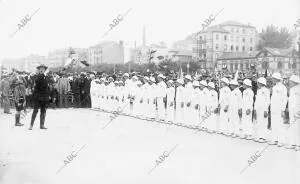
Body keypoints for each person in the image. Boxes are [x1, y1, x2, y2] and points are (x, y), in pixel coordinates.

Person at [29, 64, 50, 130]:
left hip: (44, 97)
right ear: (38, 70)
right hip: (38, 97)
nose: (42, 70)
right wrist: (43, 75)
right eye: (40, 69)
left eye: (43, 69)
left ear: (45, 70)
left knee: (43, 112)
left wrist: (48, 95)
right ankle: (31, 125)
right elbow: (37, 81)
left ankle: (42, 125)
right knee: (35, 111)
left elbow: (47, 87)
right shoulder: (37, 76)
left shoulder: (46, 77)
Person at [270, 72, 288, 146]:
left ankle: (281, 141)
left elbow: (285, 99)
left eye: (273, 78)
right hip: (273, 108)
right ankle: (275, 139)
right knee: (274, 124)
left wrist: (283, 109)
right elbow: (273, 99)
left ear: (277, 79)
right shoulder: (274, 87)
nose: (272, 79)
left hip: (279, 108)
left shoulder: (283, 87)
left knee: (280, 124)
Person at [254, 77, 270, 143]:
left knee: (264, 123)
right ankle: (259, 136)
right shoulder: (258, 90)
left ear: (261, 83)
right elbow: (257, 101)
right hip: (258, 109)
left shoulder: (266, 90)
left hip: (264, 109)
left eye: (258, 82)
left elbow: (268, 100)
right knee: (259, 122)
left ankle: (263, 137)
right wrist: (255, 109)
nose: (257, 84)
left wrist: (266, 110)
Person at [286, 75, 300, 150]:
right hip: (292, 111)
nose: (289, 82)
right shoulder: (291, 90)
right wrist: (288, 107)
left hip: (297, 111)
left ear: (294, 82)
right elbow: (291, 100)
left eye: (290, 81)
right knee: (292, 127)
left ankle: (298, 144)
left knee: (297, 127)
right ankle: (292, 143)